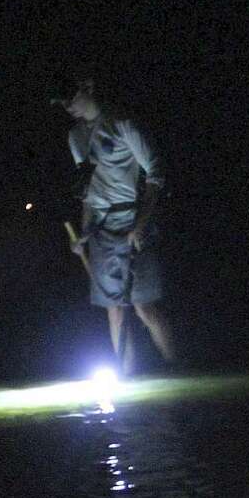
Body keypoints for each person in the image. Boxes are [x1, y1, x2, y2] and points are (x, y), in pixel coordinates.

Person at [60, 76, 177, 371]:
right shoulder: (76, 136)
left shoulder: (123, 123)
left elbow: (155, 173)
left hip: (133, 223)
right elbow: (88, 192)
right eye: (62, 102)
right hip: (101, 230)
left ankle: (176, 367)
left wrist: (141, 223)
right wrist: (84, 234)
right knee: (114, 310)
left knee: (144, 306)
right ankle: (126, 376)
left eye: (70, 97)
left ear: (88, 88)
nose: (67, 106)